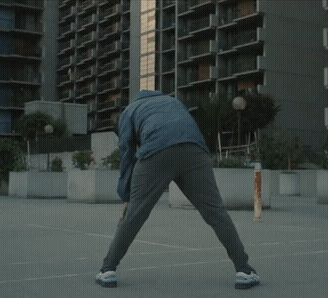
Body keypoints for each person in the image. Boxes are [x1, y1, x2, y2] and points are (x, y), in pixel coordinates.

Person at [95, 90, 259, 289]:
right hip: (194, 151)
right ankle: (244, 270)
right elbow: (187, 127)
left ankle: (107, 270)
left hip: (155, 151)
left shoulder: (130, 110)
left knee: (134, 216)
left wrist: (127, 197)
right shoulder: (174, 102)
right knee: (216, 212)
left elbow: (127, 153)